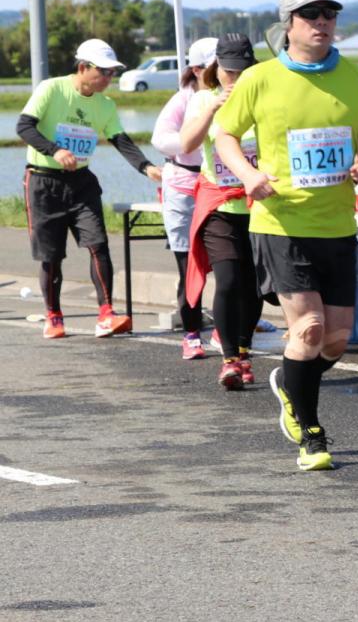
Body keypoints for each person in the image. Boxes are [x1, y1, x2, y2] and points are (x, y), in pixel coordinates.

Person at [214, 0, 358, 471]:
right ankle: (311, 434)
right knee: (307, 329)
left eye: (328, 14)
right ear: (287, 25)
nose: (322, 22)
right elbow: (225, 134)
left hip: (336, 224)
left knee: (336, 338)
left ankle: (289, 380)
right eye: (310, 15)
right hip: (281, 221)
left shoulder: (354, 78)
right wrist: (248, 175)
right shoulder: (260, 79)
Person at [19, 38, 163, 339]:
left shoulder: (105, 104)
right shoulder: (51, 89)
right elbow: (24, 126)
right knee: (51, 255)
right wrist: (55, 150)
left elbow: (120, 140)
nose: (110, 78)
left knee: (98, 245)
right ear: (84, 68)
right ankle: (54, 315)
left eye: (113, 72)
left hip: (82, 183)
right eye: (105, 72)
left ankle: (106, 314)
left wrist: (146, 166)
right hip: (44, 181)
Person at [180, 33, 263, 390]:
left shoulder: (265, 98)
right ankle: (229, 360)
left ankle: (243, 351)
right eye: (230, 72)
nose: (237, 79)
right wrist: (215, 107)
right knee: (229, 280)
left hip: (259, 204)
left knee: (256, 286)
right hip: (220, 204)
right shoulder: (204, 98)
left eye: (243, 71)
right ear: (217, 70)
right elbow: (186, 145)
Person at [152, 36, 217, 360]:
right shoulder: (183, 100)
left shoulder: (230, 95)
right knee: (189, 265)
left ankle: (229, 326)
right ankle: (191, 331)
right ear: (197, 69)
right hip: (183, 186)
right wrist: (189, 141)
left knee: (230, 263)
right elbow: (160, 139)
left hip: (220, 185)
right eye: (216, 66)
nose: (225, 72)